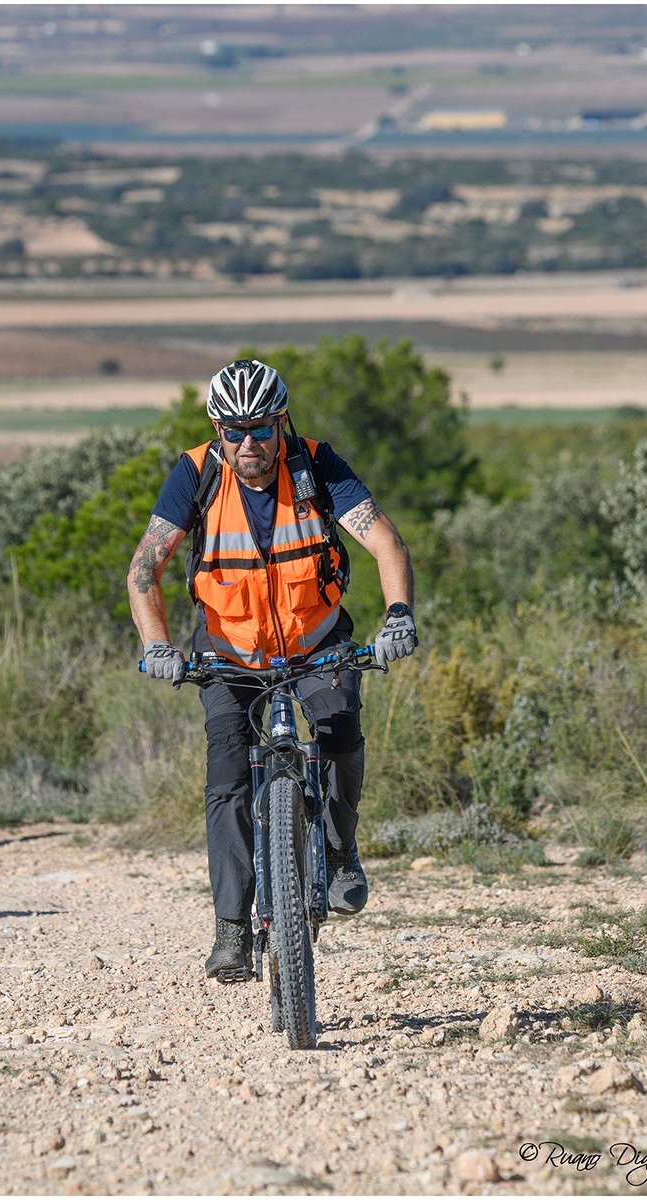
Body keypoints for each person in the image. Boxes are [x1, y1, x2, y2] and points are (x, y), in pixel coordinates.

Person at [127, 359, 416, 983]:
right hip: (228, 654)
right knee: (228, 777)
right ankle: (231, 929)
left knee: (339, 734)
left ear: (282, 422)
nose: (248, 444)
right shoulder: (196, 474)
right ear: (217, 428)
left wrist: (398, 617)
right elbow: (144, 569)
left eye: (260, 428)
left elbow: (386, 543)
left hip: (316, 641)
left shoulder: (317, 465)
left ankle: (339, 853)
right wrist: (157, 644)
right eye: (233, 431)